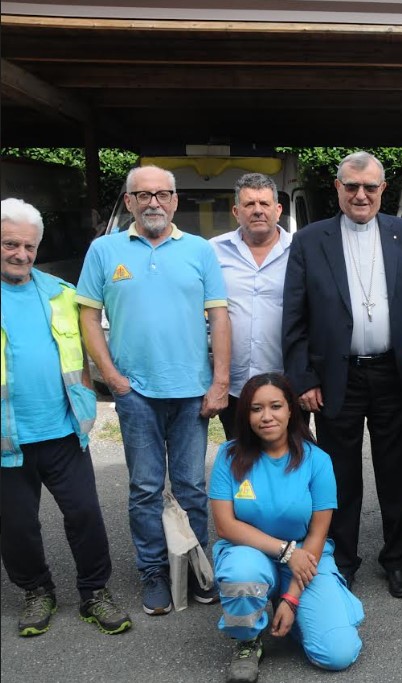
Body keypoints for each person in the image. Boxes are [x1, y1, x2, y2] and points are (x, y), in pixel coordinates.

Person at [78, 166, 230, 615]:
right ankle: (154, 573)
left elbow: (219, 316)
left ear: (175, 200)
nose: (153, 203)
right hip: (136, 393)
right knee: (145, 488)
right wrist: (112, 376)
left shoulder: (199, 251)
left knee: (191, 487)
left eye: (162, 194)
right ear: (128, 202)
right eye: (143, 195)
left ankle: (197, 567)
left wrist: (220, 381)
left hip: (191, 392)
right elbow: (88, 316)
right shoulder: (104, 250)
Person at [282, 151, 402, 598]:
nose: (361, 195)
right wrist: (304, 379)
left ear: (384, 190)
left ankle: (397, 559)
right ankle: (342, 559)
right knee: (340, 475)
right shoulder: (310, 240)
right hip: (335, 377)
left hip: (394, 374)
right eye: (352, 186)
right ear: (338, 188)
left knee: (397, 472)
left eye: (370, 187)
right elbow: (294, 317)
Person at [1, 198, 132, 637]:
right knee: (17, 526)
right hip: (6, 440)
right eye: (9, 244)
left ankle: (95, 592)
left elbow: (100, 333)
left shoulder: (61, 293)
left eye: (28, 246)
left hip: (62, 430)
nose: (21, 254)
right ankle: (36, 590)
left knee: (86, 516)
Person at [210, 373, 363, 683]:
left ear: (291, 410)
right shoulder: (228, 456)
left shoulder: (317, 460)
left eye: (276, 406)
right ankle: (248, 640)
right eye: (256, 409)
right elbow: (226, 526)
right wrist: (285, 551)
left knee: (338, 654)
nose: (266, 416)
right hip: (249, 553)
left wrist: (293, 598)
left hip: (305, 556)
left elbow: (318, 534)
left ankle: (288, 606)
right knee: (242, 576)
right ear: (246, 415)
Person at [210, 173, 292, 438]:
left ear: (278, 210)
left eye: (265, 204)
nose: (257, 210)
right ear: (236, 211)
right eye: (249, 204)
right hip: (233, 385)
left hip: (286, 382)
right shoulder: (213, 251)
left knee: (285, 460)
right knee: (240, 459)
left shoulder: (300, 250)